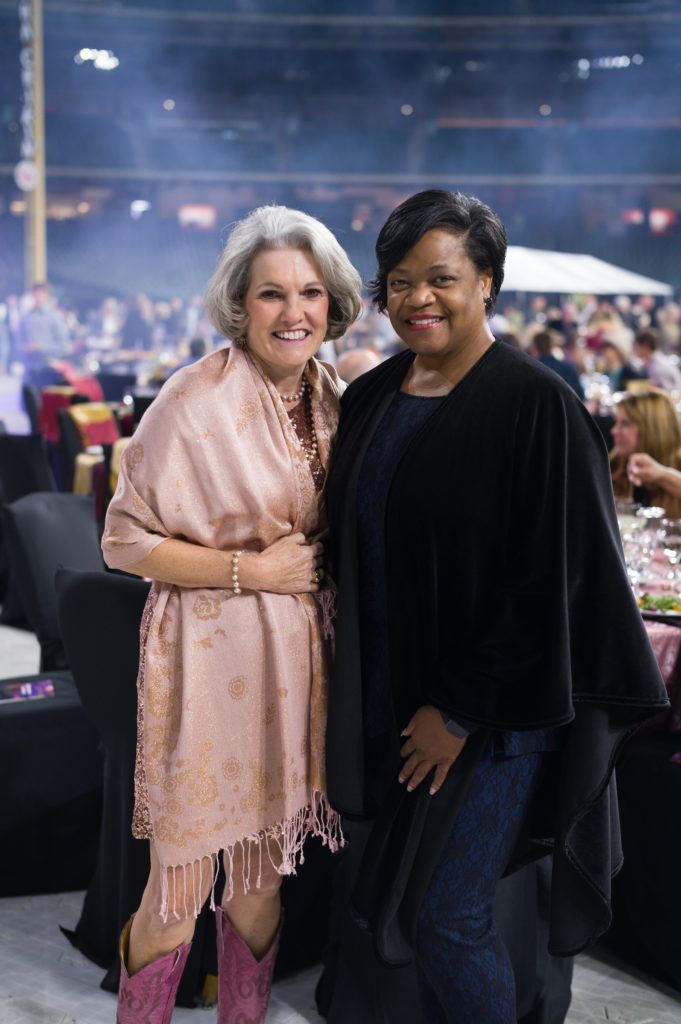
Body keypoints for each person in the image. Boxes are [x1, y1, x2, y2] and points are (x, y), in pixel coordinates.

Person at [323, 189, 668, 1023]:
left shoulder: (536, 406)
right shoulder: (370, 398)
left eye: (439, 278)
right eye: (398, 280)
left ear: (487, 282)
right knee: (403, 911)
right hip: (389, 700)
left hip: (493, 719)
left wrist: (459, 709)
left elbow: (551, 579)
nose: (416, 299)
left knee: (445, 916)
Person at [101, 204, 362, 1024]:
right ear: (238, 305)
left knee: (258, 886)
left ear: (334, 303)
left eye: (310, 293)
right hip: (209, 661)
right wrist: (253, 569)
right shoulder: (193, 399)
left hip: (295, 670)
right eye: (271, 294)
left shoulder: (335, 395)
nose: (294, 313)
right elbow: (122, 540)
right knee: (176, 888)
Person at [610, 388, 681, 516]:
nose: (614, 431)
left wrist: (663, 475)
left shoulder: (678, 464)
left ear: (651, 429)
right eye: (617, 422)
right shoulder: (614, 465)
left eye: (625, 424)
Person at [530, 329, 584, 399]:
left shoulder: (532, 370)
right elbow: (580, 396)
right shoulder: (569, 368)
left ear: (535, 349)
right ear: (551, 348)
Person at [633, 327, 681, 392]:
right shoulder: (655, 360)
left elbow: (666, 393)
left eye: (636, 346)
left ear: (645, 346)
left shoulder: (657, 366)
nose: (634, 350)